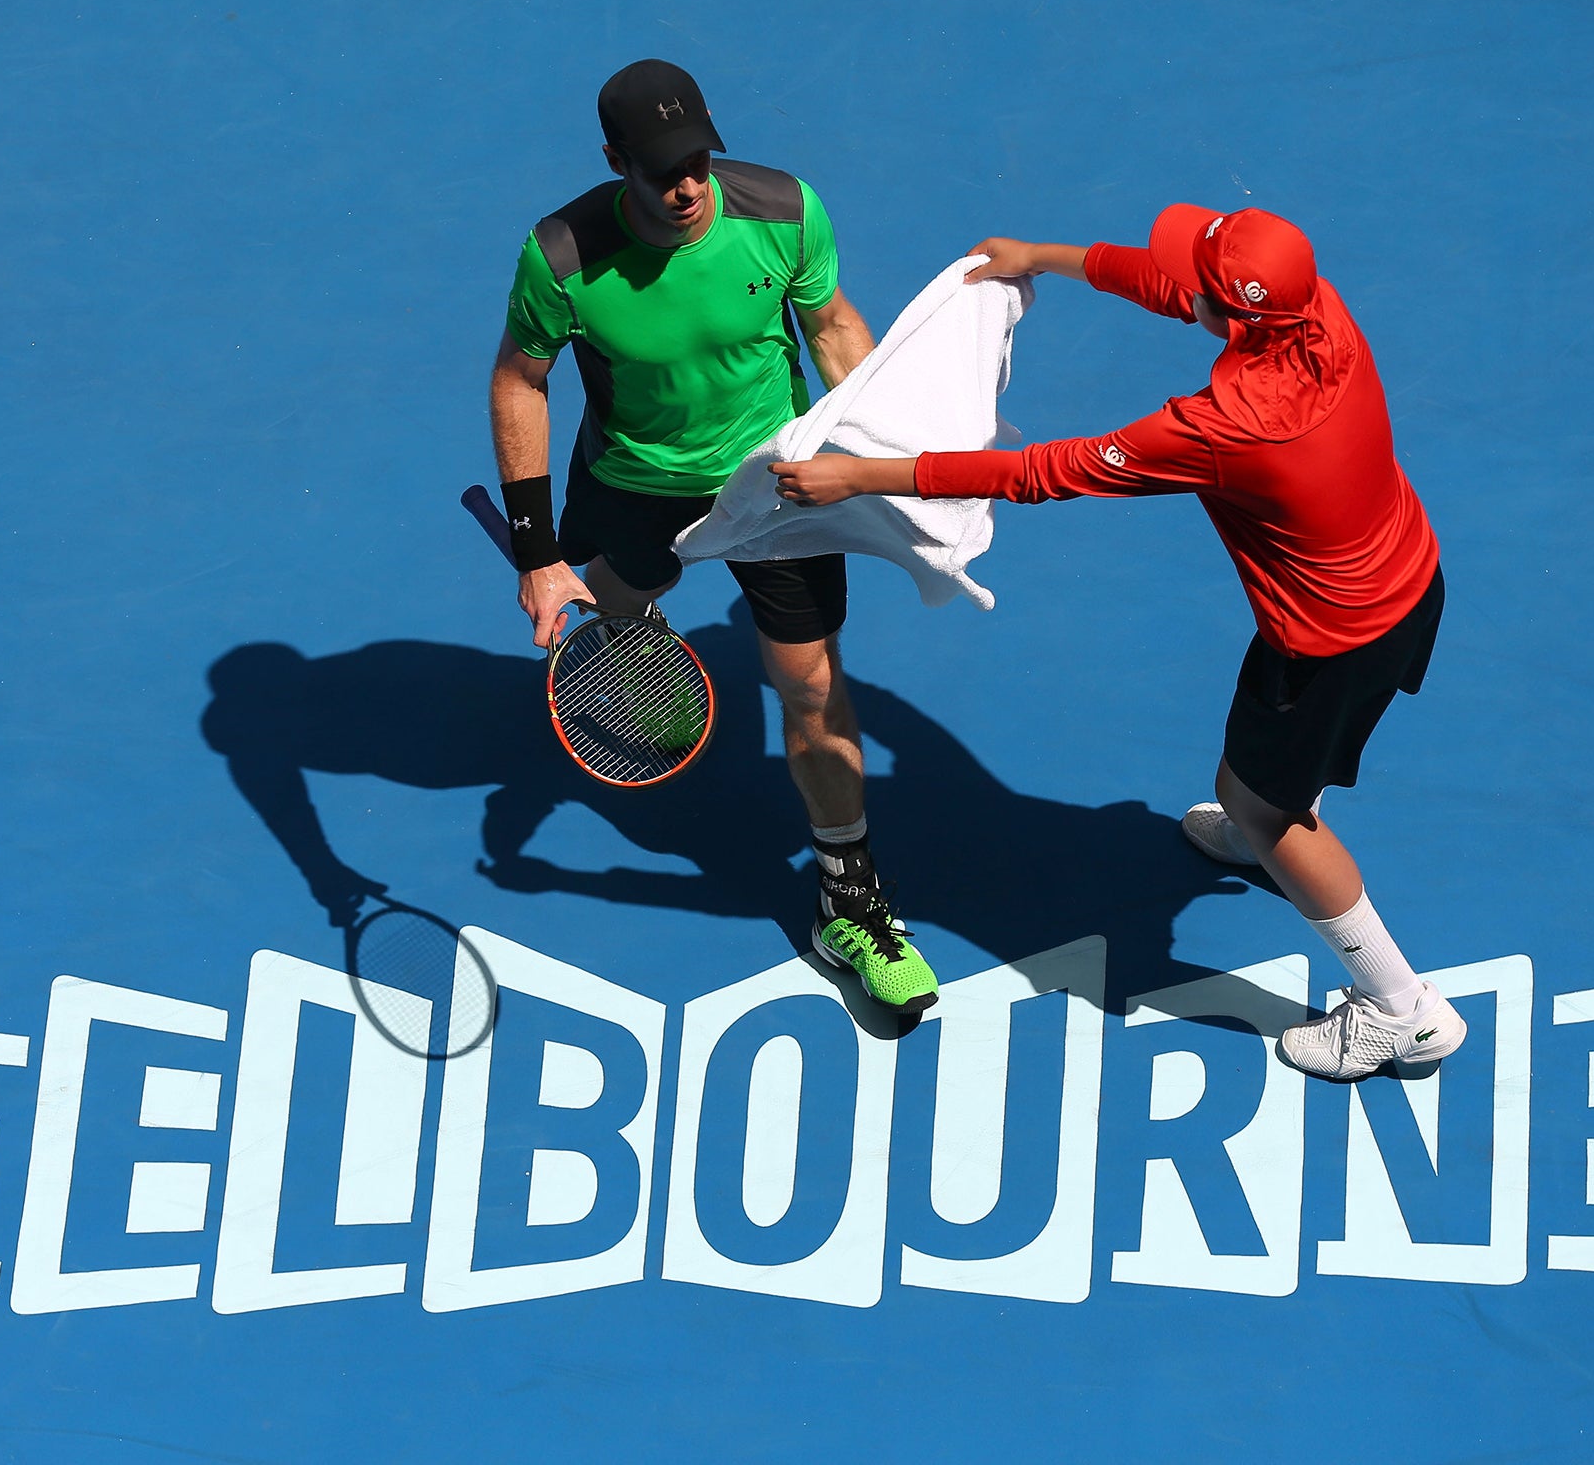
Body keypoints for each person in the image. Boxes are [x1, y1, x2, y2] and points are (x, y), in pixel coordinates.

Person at [769, 205, 1462, 1077]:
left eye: (1208, 285)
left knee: (1266, 805)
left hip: (1330, 644)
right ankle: (1258, 830)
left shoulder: (1226, 428)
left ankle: (1402, 1009)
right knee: (1249, 784)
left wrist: (860, 476)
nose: (1189, 289)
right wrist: (1044, 259)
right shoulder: (1315, 309)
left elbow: (1042, 473)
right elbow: (1182, 290)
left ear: (1242, 315)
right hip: (1408, 579)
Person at [488, 58, 938, 1012]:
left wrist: (891, 457)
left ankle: (848, 899)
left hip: (775, 484)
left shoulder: (782, 212)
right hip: (633, 482)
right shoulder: (563, 257)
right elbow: (519, 383)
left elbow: (832, 328)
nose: (686, 185)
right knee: (613, 602)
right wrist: (536, 550)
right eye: (660, 170)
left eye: (697, 159)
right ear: (617, 163)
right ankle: (632, 632)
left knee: (811, 681)